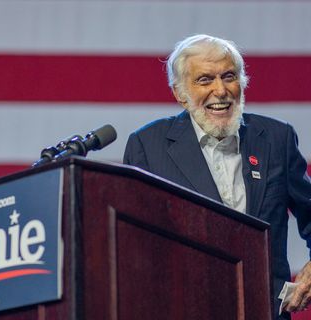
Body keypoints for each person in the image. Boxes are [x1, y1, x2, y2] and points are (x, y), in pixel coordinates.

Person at [123, 34, 311, 319]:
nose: (220, 91)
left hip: (263, 311)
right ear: (179, 94)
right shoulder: (148, 146)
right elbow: (132, 246)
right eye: (204, 80)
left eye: (229, 76)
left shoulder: (276, 139)